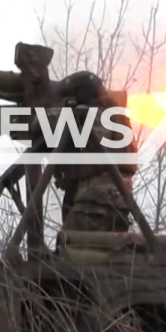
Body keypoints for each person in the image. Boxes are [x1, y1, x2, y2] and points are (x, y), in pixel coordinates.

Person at [43, 71, 138, 233]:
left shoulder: (91, 115)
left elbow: (43, 124)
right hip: (119, 201)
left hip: (95, 200)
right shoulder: (113, 113)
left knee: (68, 246)